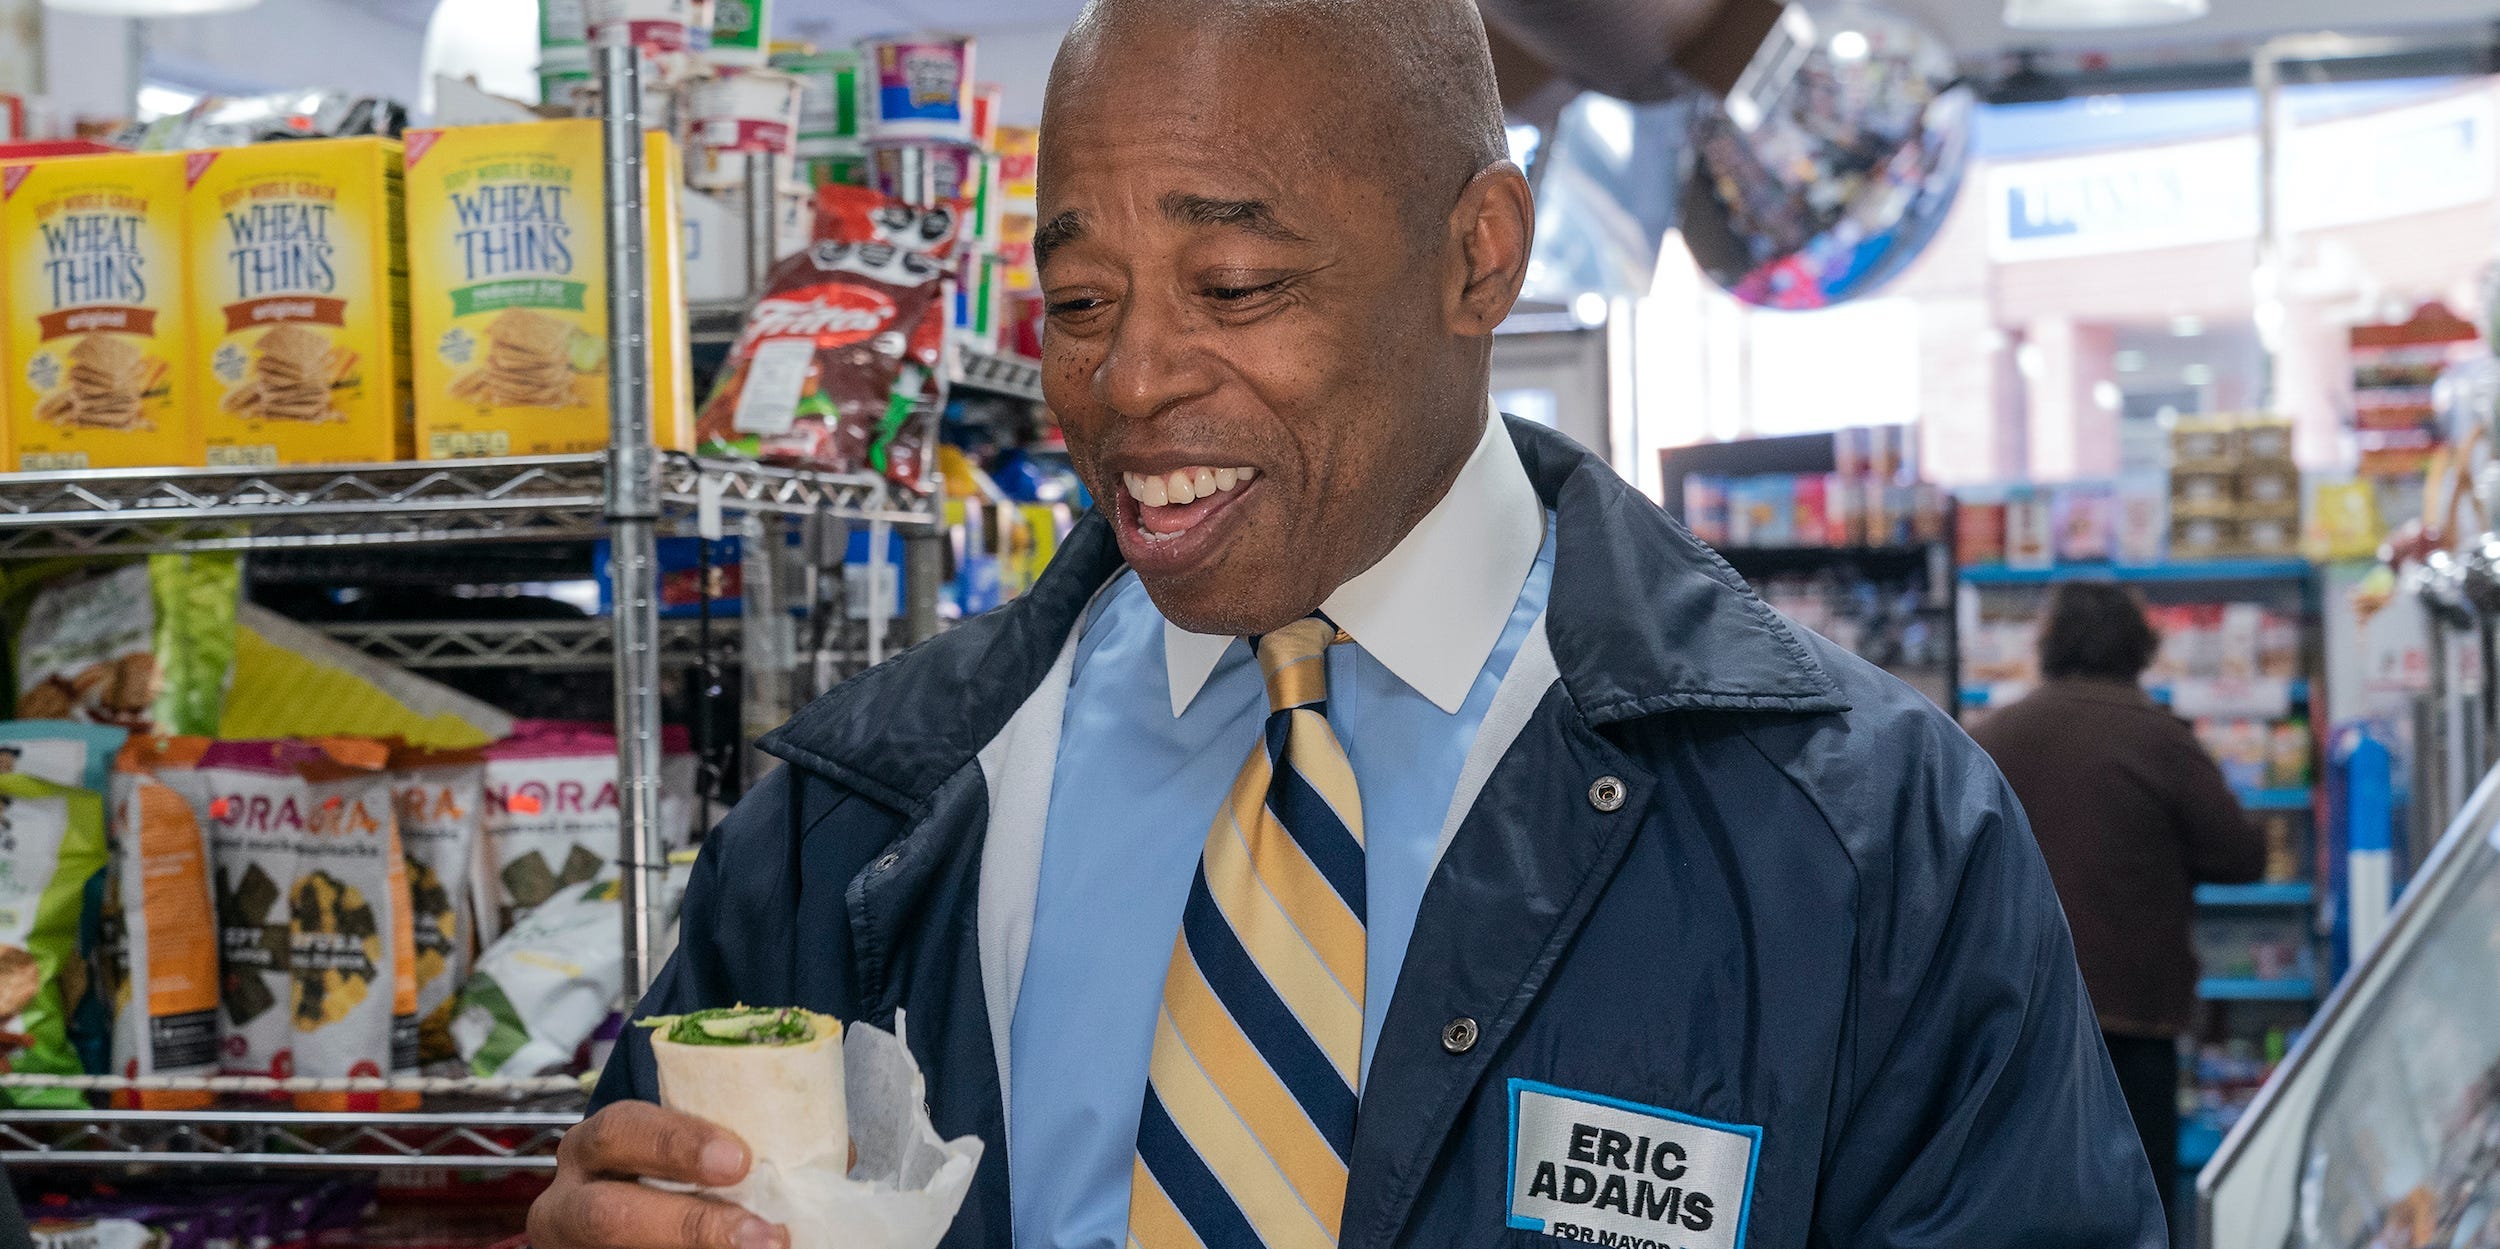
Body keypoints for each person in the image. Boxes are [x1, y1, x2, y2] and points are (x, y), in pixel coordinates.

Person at [529, 2, 2164, 1246]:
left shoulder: (1865, 835)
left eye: (1235, 285)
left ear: (1479, 256)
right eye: (1082, 303)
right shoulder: (860, 819)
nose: (1132, 379)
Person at [1969, 582, 2266, 1239]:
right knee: (2138, 1200)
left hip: (2017, 1013)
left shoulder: (1990, 735)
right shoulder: (2159, 737)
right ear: (2140, 648)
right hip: (2134, 1012)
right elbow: (2241, 854)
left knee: (2025, 1198)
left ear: (2048, 646)